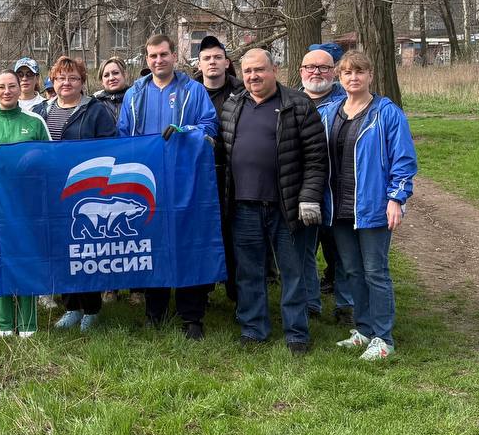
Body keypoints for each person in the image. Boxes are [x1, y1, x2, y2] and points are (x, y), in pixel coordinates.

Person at [217, 48, 327, 355]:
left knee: (293, 272)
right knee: (249, 272)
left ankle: (297, 333)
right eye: (248, 71)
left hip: (286, 206)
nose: (253, 76)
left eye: (259, 70)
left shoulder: (298, 104)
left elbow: (317, 158)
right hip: (243, 206)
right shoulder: (233, 105)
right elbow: (224, 152)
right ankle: (254, 328)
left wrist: (309, 197)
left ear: (274, 70)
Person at [117, 33, 219, 337]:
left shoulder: (194, 91)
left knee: (189, 244)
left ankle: (192, 317)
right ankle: (155, 312)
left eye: (163, 54)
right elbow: (123, 135)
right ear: (146, 59)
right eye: (153, 56)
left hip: (185, 181)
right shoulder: (134, 93)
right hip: (148, 184)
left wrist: (185, 131)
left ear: (174, 56)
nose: (158, 60)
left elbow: (210, 127)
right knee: (153, 245)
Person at [319, 51, 417, 362]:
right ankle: (363, 330)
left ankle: (383, 338)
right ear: (339, 77)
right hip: (339, 208)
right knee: (352, 271)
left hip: (373, 207)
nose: (353, 77)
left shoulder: (386, 113)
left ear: (370, 75)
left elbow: (404, 160)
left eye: (359, 72)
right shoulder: (330, 113)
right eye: (347, 72)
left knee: (376, 272)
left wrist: (396, 199)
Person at [0, 71, 51, 337]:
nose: (7, 91)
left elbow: (50, 159)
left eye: (12, 86)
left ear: (20, 88)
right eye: (1, 87)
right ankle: (4, 324)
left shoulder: (35, 121)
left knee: (27, 254)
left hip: (27, 200)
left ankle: (27, 324)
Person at [38, 56, 118, 332]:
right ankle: (71, 306)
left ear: (82, 82)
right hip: (52, 191)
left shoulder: (95, 110)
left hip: (86, 190)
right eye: (61, 78)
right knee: (60, 249)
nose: (66, 83)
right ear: (53, 81)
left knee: (85, 250)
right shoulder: (41, 111)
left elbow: (110, 147)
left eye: (73, 78)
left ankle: (91, 309)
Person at [299, 42, 349, 321]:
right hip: (302, 190)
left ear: (334, 71)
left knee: (342, 251)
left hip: (337, 189)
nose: (316, 72)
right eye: (310, 67)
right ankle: (310, 305)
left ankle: (346, 306)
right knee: (304, 251)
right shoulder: (290, 102)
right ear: (301, 71)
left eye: (323, 67)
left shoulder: (348, 103)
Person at [196, 36, 243, 303]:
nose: (212, 62)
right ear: (199, 64)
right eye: (207, 58)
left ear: (226, 62)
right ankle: (201, 293)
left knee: (234, 236)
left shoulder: (242, 92)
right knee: (203, 234)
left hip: (235, 174)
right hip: (201, 175)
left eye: (217, 57)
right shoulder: (190, 93)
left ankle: (238, 296)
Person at [94, 56, 130, 122]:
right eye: (106, 75)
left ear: (125, 75)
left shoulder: (136, 98)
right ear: (102, 81)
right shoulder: (95, 104)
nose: (111, 78)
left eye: (115, 73)